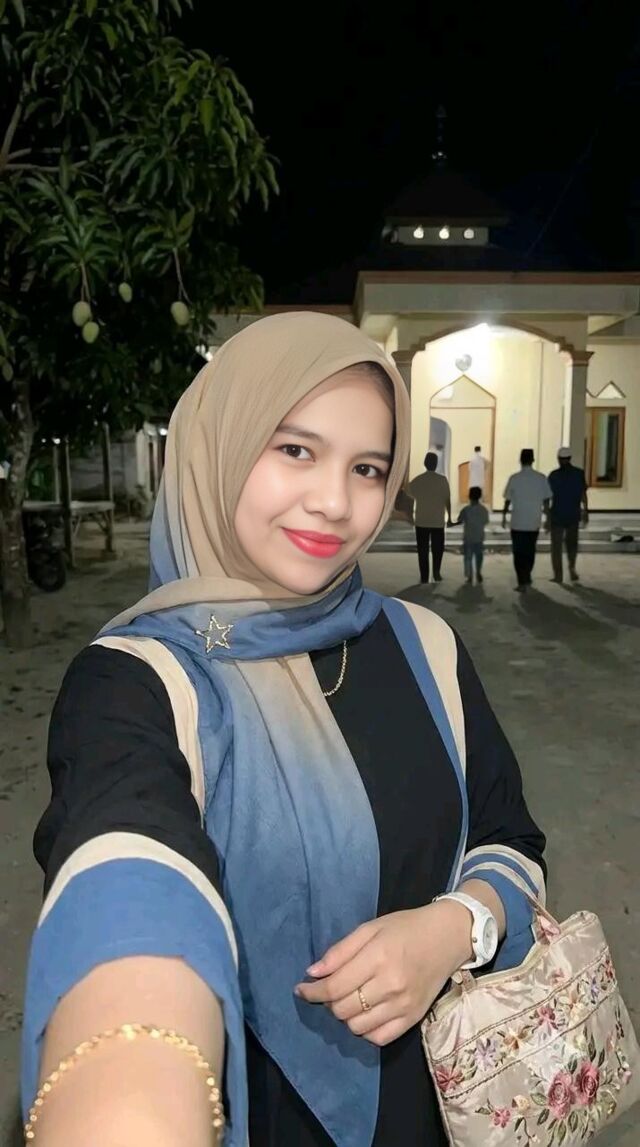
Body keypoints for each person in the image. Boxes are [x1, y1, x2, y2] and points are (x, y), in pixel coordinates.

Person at [22, 313, 546, 1147]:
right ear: (221, 447)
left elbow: (509, 838)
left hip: (438, 1110)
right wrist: (130, 1085)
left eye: (367, 467)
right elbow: (127, 883)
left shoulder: (425, 647)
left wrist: (456, 927)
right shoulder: (138, 682)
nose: (334, 502)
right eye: (296, 450)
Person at [502, 448, 552, 592]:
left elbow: (507, 500)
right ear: (533, 460)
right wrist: (548, 518)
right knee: (530, 551)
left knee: (518, 553)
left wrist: (504, 516)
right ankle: (527, 576)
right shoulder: (541, 478)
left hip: (517, 522)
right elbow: (546, 501)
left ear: (520, 460)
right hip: (533, 522)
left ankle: (522, 580)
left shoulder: (514, 478)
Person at [407, 452, 452, 583]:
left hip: (422, 521)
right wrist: (449, 517)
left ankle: (424, 576)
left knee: (423, 550)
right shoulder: (442, 480)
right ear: (436, 464)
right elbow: (447, 500)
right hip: (437, 521)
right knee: (438, 549)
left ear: (425, 463)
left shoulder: (418, 480)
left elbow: (409, 496)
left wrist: (409, 515)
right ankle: (436, 573)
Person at [547, 446, 589, 583]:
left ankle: (558, 575)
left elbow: (547, 497)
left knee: (556, 547)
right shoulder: (579, 473)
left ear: (559, 459)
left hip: (558, 514)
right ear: (570, 458)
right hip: (572, 514)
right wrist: (586, 510)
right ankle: (572, 567)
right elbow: (583, 494)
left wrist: (547, 516)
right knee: (572, 544)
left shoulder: (553, 475)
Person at [457, 486, 489, 585]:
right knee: (479, 556)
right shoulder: (484, 510)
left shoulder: (466, 509)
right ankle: (478, 572)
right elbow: (485, 521)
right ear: (480, 496)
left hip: (468, 537)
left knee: (468, 557)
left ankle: (469, 576)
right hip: (479, 537)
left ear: (469, 496)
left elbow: (459, 520)